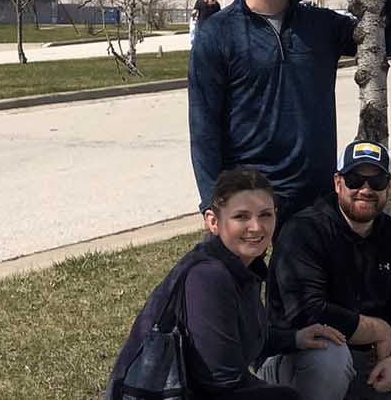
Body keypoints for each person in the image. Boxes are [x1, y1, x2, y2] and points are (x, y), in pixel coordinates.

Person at [188, 0, 391, 219]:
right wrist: (211, 202)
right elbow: (203, 127)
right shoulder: (217, 33)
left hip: (315, 199)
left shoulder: (321, 25)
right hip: (248, 199)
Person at [109, 169, 345, 400]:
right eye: (241, 217)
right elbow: (222, 381)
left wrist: (295, 338)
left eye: (265, 215)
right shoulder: (208, 277)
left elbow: (240, 338)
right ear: (213, 221)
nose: (256, 227)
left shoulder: (243, 267)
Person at [261, 140, 391, 400]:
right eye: (355, 179)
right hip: (299, 354)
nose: (365, 190)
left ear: (389, 185)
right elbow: (308, 311)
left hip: (370, 357)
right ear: (338, 182)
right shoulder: (303, 231)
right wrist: (378, 330)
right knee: (329, 356)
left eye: (376, 181)